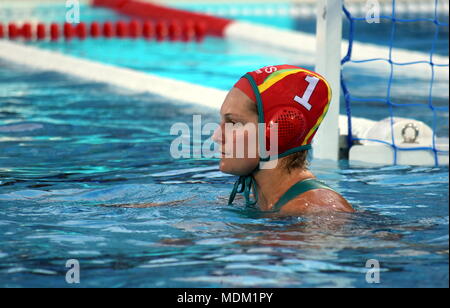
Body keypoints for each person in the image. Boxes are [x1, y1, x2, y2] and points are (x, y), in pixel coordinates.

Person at [212, 65, 354, 216]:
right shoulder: (254, 201)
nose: (216, 136)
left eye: (233, 123)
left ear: (279, 130)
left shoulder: (318, 212)